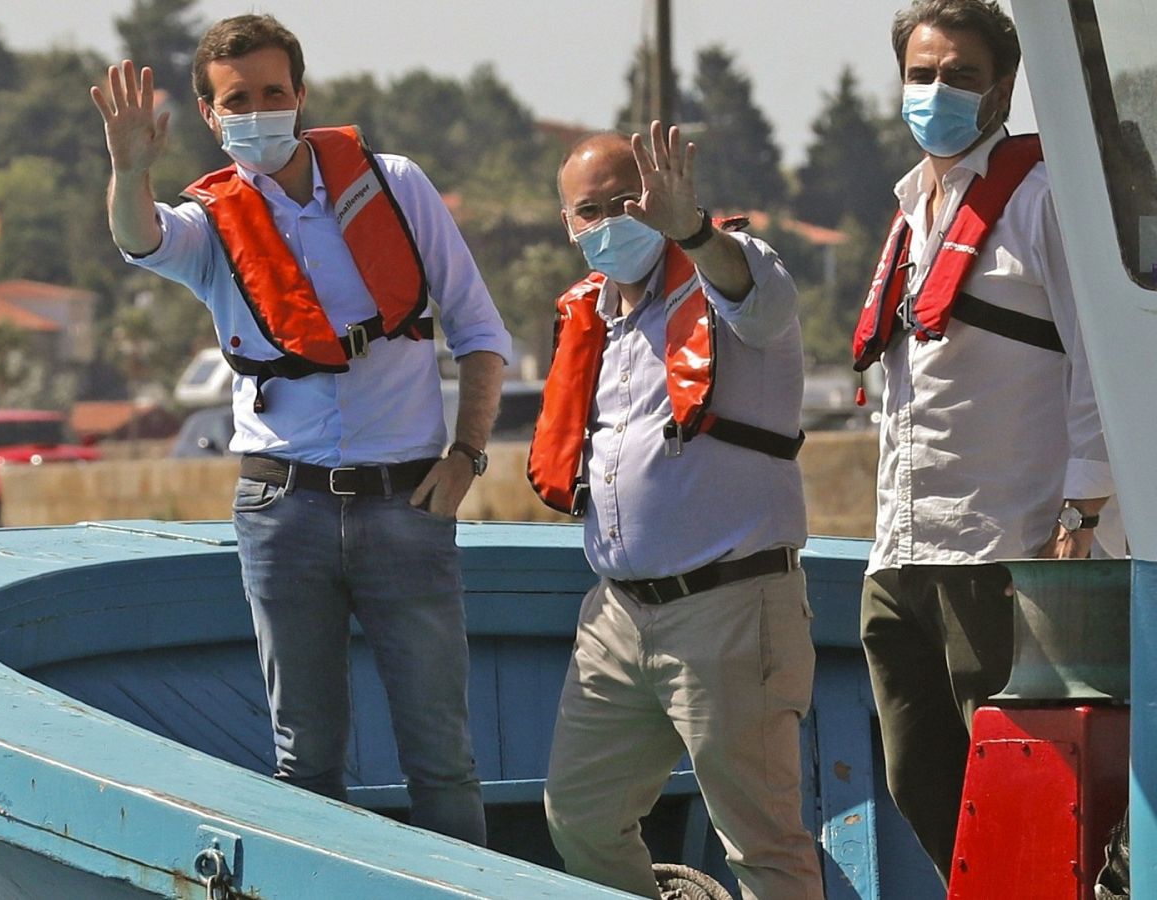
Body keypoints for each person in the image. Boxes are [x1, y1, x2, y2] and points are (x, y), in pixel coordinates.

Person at [89, 14, 509, 845]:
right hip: (283, 510)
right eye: (237, 100)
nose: (258, 111)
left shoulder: (396, 186)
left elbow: (479, 329)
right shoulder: (211, 225)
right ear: (210, 116)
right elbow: (141, 239)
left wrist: (466, 455)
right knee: (305, 760)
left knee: (442, 757)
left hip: (407, 503)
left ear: (302, 95)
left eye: (272, 93)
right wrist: (129, 171)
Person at [853, 0, 1119, 881]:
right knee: (919, 779)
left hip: (1005, 548)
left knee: (1025, 781)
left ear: (1003, 88)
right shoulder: (910, 212)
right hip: (901, 554)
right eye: (922, 74)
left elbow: (1101, 360)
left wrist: (1081, 512)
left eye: (961, 76)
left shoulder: (1042, 201)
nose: (937, 92)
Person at [531, 124, 822, 899]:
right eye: (588, 211)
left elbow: (759, 303)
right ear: (568, 225)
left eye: (626, 201)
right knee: (580, 817)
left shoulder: (731, 275)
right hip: (617, 617)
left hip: (731, 607)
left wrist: (691, 229)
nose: (609, 223)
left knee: (762, 841)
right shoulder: (592, 317)